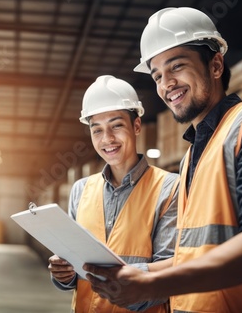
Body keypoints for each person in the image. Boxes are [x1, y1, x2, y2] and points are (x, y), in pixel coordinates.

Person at [84, 7, 242, 312]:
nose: (166, 84)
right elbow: (196, 254)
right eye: (158, 75)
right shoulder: (194, 155)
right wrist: (139, 274)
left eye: (177, 66)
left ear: (215, 65)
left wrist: (153, 284)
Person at [48, 75, 180, 312]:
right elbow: (74, 273)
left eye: (116, 125)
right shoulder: (81, 190)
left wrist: (119, 284)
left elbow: (171, 275)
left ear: (136, 125)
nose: (107, 139)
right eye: (96, 130)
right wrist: (63, 274)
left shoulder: (170, 188)